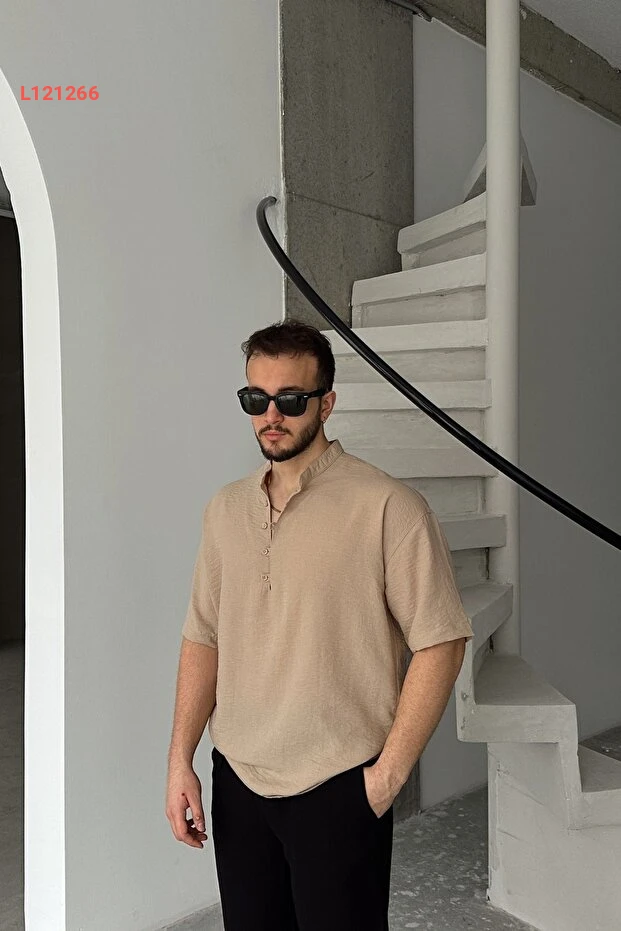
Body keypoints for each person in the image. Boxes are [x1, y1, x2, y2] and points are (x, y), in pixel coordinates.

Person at [166, 319, 474, 930]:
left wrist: (385, 779)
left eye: (290, 400)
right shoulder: (226, 509)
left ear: (326, 404)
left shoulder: (388, 507)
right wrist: (181, 760)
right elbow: (204, 635)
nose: (270, 415)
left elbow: (441, 641)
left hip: (338, 787)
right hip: (239, 780)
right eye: (255, 398)